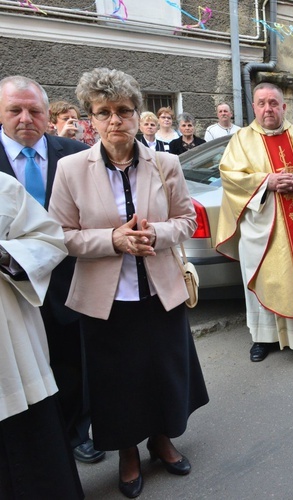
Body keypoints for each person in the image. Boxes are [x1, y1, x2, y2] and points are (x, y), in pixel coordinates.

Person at [49, 67, 209, 498]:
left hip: (160, 291)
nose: (115, 120)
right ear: (91, 120)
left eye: (123, 111)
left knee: (162, 371)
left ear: (138, 115)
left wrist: (156, 234)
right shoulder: (70, 169)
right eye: (104, 113)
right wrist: (113, 239)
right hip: (106, 299)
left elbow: (187, 220)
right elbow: (60, 235)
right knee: (117, 382)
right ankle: (128, 453)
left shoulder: (166, 163)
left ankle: (161, 441)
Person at [0, 76, 101, 464]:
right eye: (15, 110)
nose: (26, 118)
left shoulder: (76, 152)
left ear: (47, 115)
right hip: (10, 287)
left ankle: (77, 433)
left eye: (35, 110)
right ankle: (35, 443)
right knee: (22, 366)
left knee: (73, 361)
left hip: (68, 277)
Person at [216, 82, 293, 362]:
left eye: (273, 103)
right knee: (264, 280)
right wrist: (266, 181)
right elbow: (230, 176)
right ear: (254, 107)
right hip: (261, 228)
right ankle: (263, 338)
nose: (268, 108)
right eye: (262, 103)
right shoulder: (241, 140)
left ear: (283, 106)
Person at [0, 172, 83, 500]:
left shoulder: (4, 187)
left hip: (15, 349)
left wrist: (5, 254)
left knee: (33, 453)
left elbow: (49, 238)